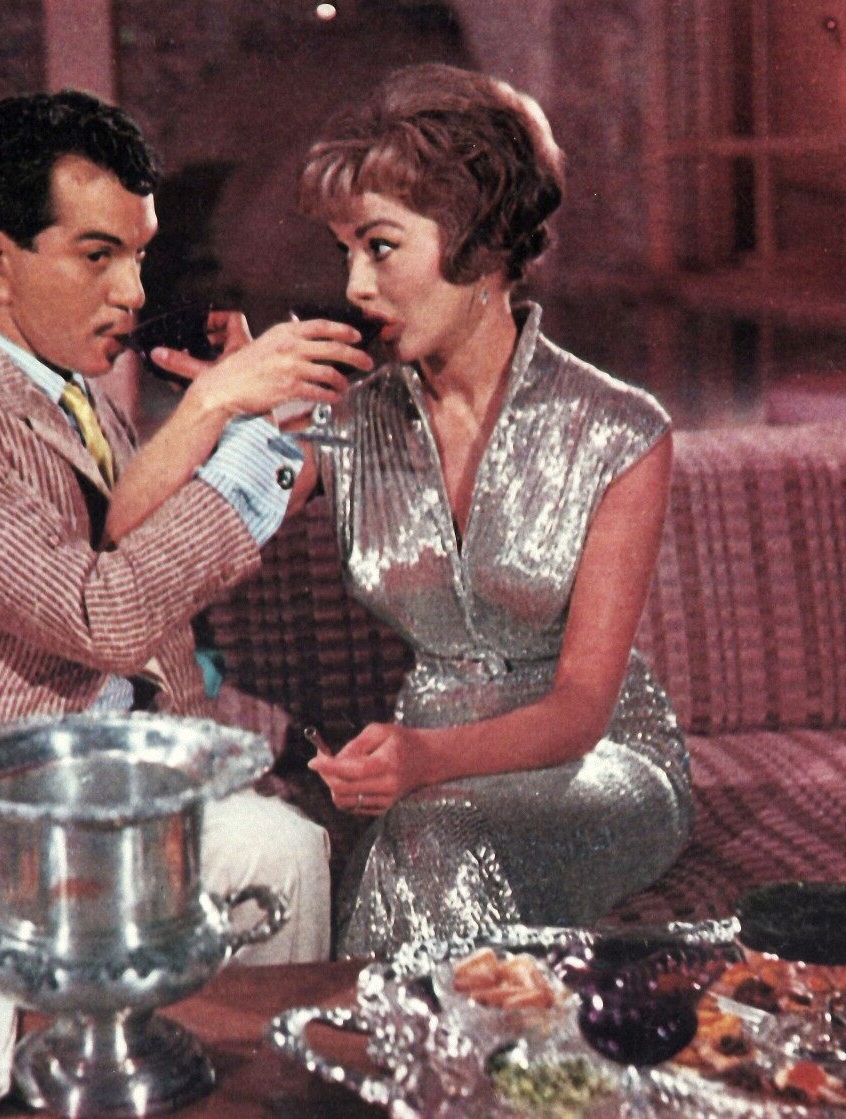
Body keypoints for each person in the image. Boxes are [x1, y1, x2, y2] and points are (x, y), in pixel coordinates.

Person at [0, 89, 374, 980]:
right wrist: (226, 414)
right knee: (273, 854)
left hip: (86, 797)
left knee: (276, 837)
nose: (133, 293)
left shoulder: (71, 396)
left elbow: (138, 556)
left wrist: (235, 420)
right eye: (98, 255)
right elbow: (99, 613)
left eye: (138, 255)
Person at [291, 64, 694, 957]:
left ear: (477, 246)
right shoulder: (345, 422)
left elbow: (582, 706)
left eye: (380, 247)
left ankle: (405, 1039)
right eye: (345, 252)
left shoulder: (619, 430)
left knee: (429, 834)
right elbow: (184, 540)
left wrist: (423, 760)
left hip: (596, 764)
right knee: (423, 832)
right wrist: (223, 406)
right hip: (427, 772)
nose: (354, 286)